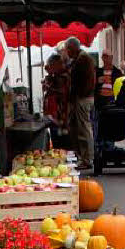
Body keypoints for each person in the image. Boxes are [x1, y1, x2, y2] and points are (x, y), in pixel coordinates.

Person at [66, 36, 96, 170]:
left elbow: (80, 82)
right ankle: (84, 157)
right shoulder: (81, 59)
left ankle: (87, 159)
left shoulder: (82, 60)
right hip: (83, 97)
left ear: (72, 48)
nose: (67, 52)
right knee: (81, 128)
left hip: (83, 98)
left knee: (84, 129)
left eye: (68, 49)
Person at [42, 52, 70, 136]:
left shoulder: (64, 76)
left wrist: (48, 86)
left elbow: (62, 91)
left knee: (61, 140)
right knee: (56, 139)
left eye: (51, 64)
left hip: (61, 115)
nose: (49, 66)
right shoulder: (56, 75)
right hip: (54, 116)